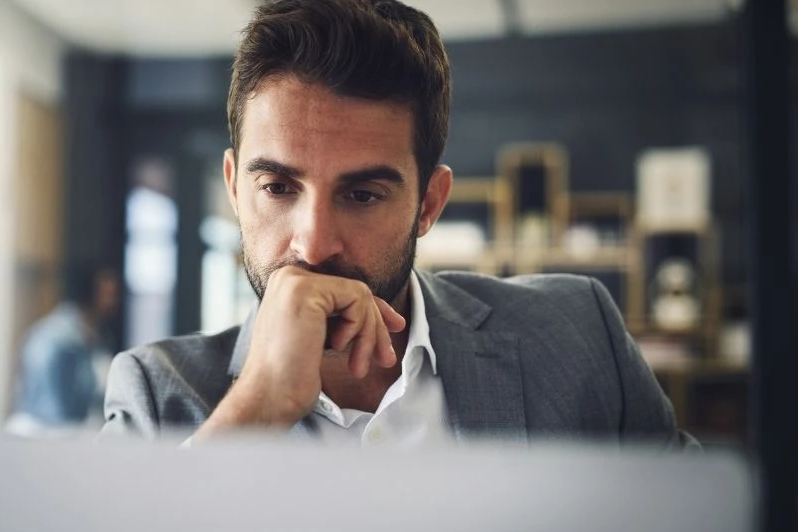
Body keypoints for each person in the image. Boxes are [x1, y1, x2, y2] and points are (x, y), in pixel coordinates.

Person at [100, 0, 695, 448]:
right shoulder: (155, 395)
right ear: (234, 188)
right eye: (278, 188)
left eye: (361, 194)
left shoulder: (578, 337)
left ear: (429, 204)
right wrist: (256, 408)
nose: (313, 243)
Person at [8, 265, 119, 437]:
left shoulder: (91, 335)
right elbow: (55, 413)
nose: (113, 301)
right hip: (45, 440)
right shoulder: (57, 340)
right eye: (108, 294)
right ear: (90, 292)